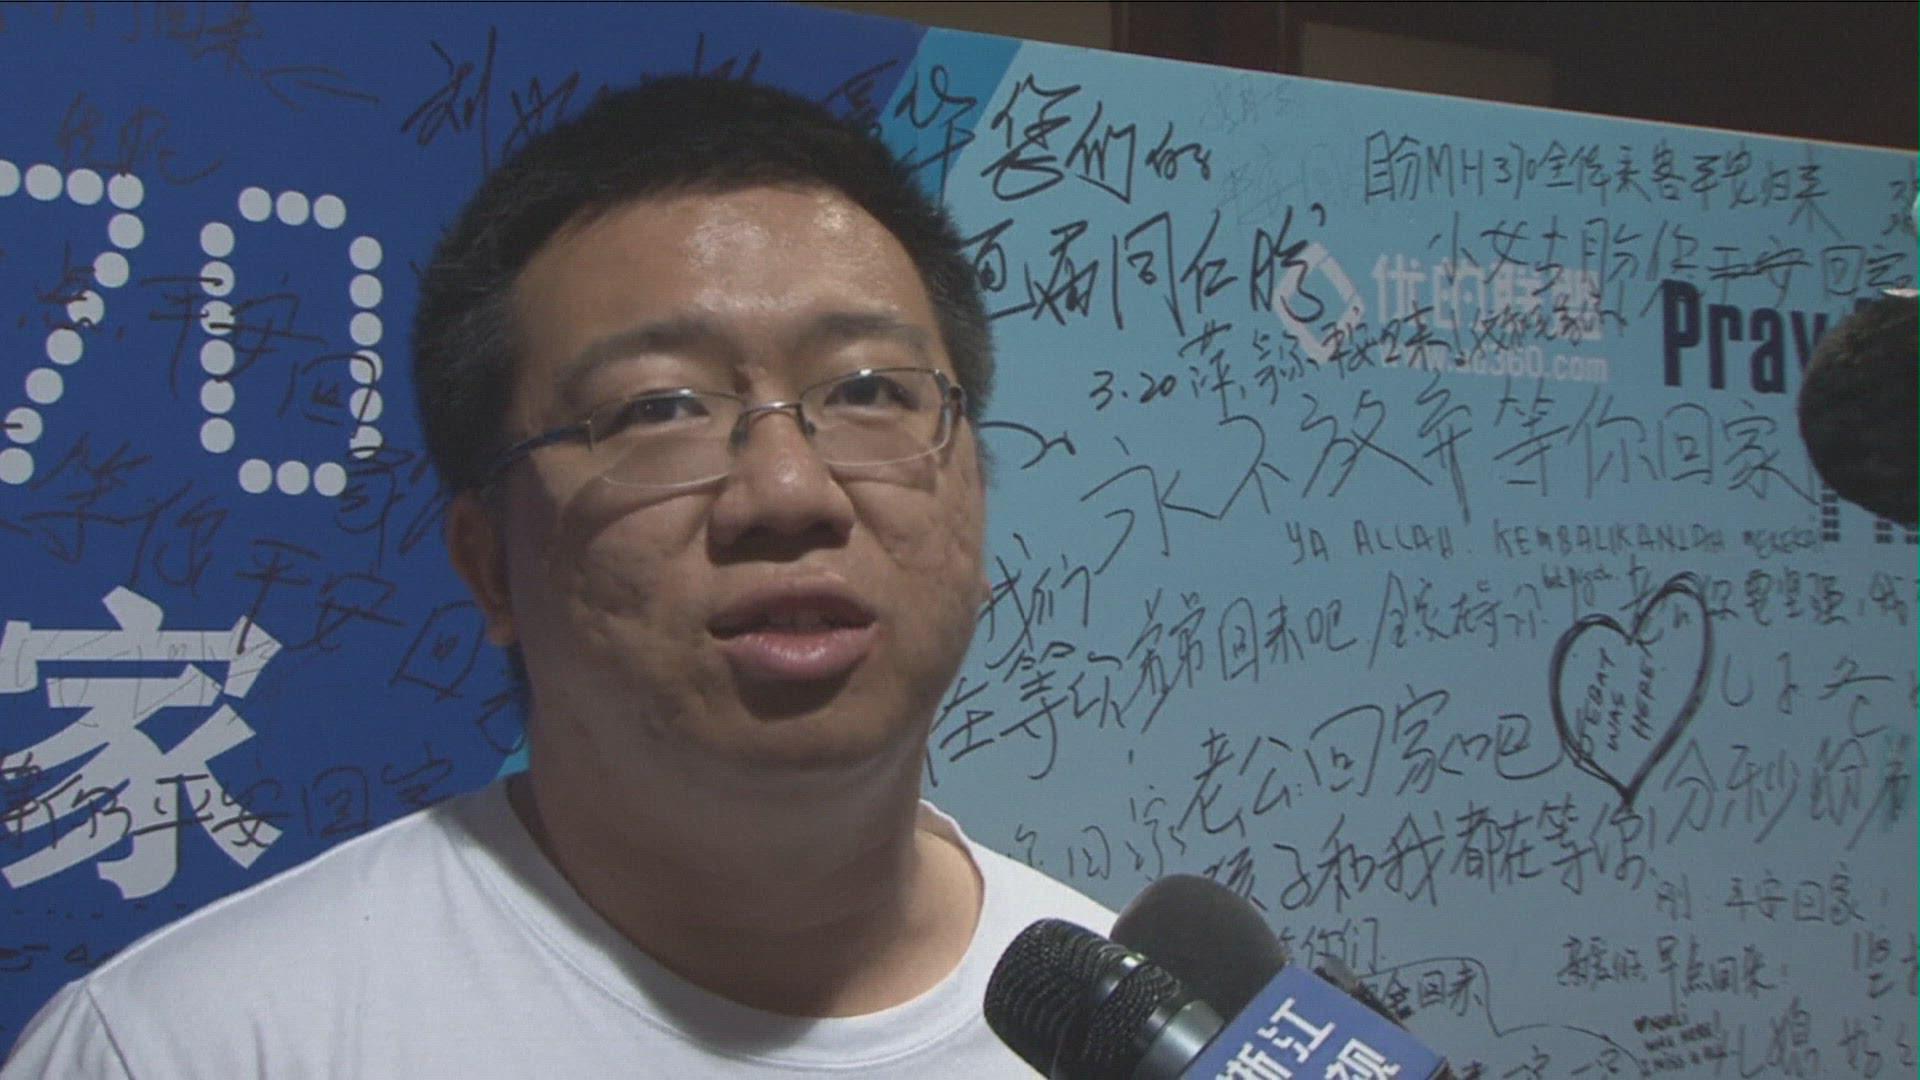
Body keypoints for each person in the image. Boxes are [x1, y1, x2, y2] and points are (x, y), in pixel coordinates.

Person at [3, 75, 1111, 1077]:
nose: (789, 490)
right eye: (659, 409)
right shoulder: (195, 1046)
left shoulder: (1134, 1037)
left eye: (870, 391)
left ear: (975, 494)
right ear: (489, 565)